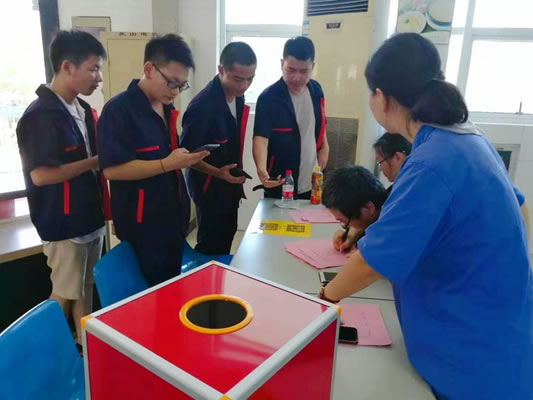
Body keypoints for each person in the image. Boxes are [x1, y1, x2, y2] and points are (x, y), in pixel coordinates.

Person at [320, 33, 533, 399]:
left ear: (382, 98)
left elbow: (371, 264)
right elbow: (520, 208)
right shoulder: (470, 140)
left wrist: (325, 297)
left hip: (470, 353)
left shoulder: (431, 162)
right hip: (505, 326)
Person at [16, 30, 109, 349]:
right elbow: (41, 176)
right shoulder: (40, 116)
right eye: (93, 69)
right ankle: (42, 354)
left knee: (84, 287)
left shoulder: (81, 109)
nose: (98, 78)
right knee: (64, 294)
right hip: (63, 223)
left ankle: (84, 349)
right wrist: (94, 162)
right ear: (67, 66)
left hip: (89, 216)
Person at [97, 34, 208, 286]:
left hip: (172, 221)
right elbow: (112, 170)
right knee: (148, 294)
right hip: (142, 228)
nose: (175, 91)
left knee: (171, 288)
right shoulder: (118, 111)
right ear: (149, 69)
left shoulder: (165, 107)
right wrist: (167, 164)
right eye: (171, 83)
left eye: (181, 85)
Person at [180, 42, 256, 255]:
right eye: (238, 79)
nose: (244, 86)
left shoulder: (237, 97)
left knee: (227, 236)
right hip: (208, 188)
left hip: (228, 184)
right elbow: (187, 155)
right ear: (221, 70)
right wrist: (217, 173)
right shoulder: (202, 107)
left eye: (250, 79)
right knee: (210, 244)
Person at [253, 36, 329, 199]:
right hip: (281, 181)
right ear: (282, 64)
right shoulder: (269, 98)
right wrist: (261, 169)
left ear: (313, 66)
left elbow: (319, 123)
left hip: (312, 179)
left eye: (304, 71)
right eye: (291, 70)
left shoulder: (316, 91)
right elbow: (261, 138)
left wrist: (325, 147)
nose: (297, 77)